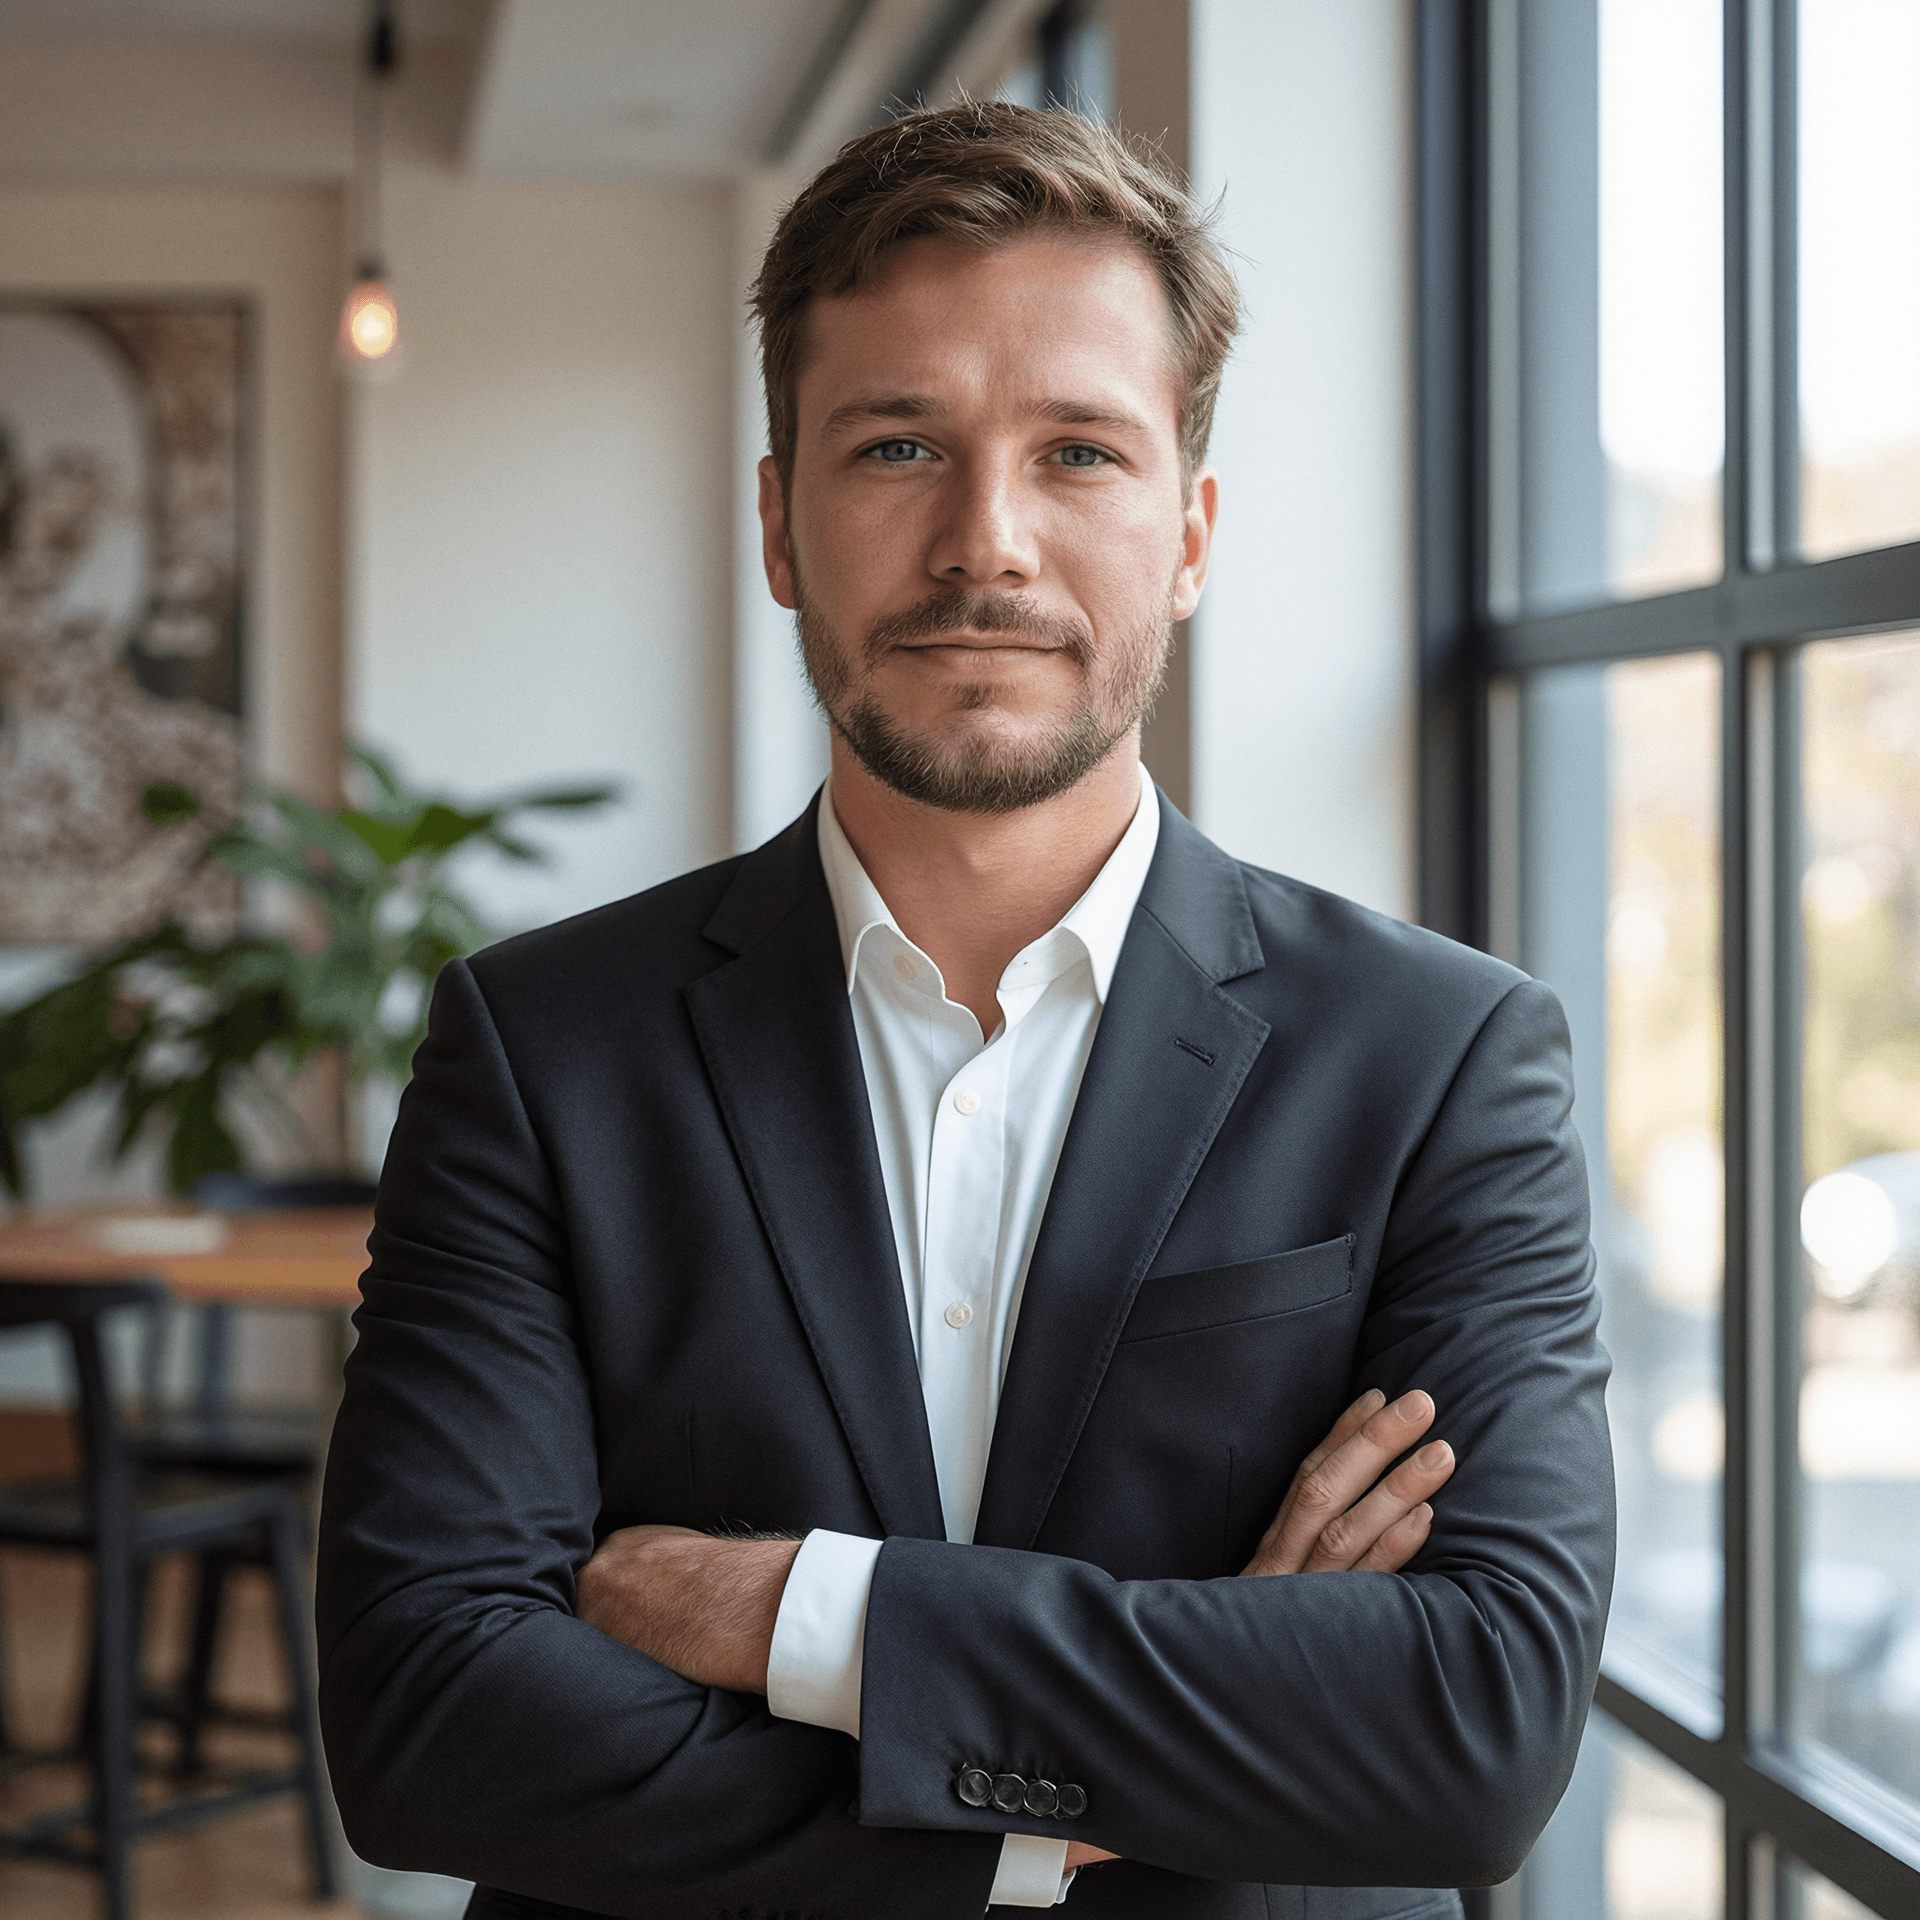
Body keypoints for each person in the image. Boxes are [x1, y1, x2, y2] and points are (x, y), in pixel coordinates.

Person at [317, 103, 1613, 1920]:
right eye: (899, 443)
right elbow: (426, 1713)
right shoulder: (544, 1051)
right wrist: (1142, 1750)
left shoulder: (1443, 1057)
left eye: (1079, 452)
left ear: (1190, 535)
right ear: (779, 521)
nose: (983, 541)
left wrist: (798, 1613)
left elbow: (1472, 1734)